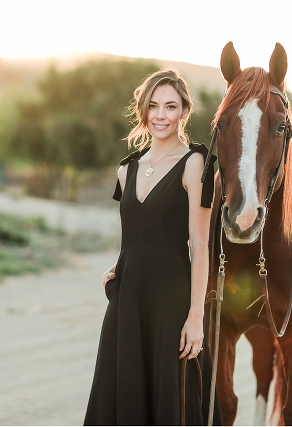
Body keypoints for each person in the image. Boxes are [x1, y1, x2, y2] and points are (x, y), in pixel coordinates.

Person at [84, 69, 221, 425]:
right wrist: (116, 270)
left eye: (170, 106)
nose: (161, 115)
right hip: (127, 301)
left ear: (184, 112)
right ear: (144, 111)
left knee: (170, 401)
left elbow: (201, 245)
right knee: (121, 395)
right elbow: (133, 234)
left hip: (172, 303)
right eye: (154, 106)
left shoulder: (195, 163)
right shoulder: (126, 169)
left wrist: (195, 318)